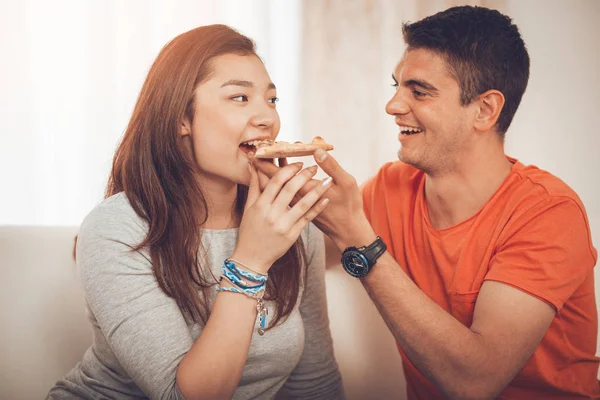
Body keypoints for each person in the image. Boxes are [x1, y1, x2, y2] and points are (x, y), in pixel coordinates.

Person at [255, 5, 599, 400]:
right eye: (396, 87)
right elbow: (301, 251)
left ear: (485, 110)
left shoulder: (548, 213)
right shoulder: (393, 185)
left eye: (419, 91)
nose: (393, 106)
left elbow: (475, 381)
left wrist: (357, 238)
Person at [47, 24, 344, 400]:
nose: (267, 118)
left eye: (271, 100)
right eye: (239, 98)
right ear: (179, 119)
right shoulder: (117, 226)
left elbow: (314, 383)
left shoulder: (291, 221)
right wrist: (251, 261)